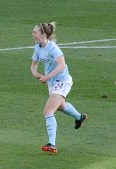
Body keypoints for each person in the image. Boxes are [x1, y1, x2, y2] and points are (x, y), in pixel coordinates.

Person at [30, 22, 88, 154]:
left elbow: (62, 64)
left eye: (35, 32)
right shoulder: (38, 47)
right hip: (52, 83)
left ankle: (52, 144)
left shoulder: (52, 48)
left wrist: (48, 76)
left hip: (62, 81)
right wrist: (36, 74)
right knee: (60, 106)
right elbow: (33, 65)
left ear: (43, 34)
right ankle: (80, 117)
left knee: (48, 111)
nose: (33, 34)